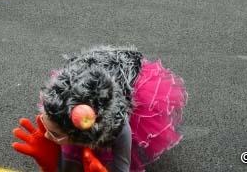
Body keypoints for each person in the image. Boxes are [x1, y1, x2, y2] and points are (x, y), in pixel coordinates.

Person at [13, 45, 187, 172]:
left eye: (55, 134)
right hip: (88, 72)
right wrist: (48, 164)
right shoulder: (56, 103)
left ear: (77, 135)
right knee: (71, 158)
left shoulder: (119, 126)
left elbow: (122, 167)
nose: (46, 135)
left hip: (127, 82)